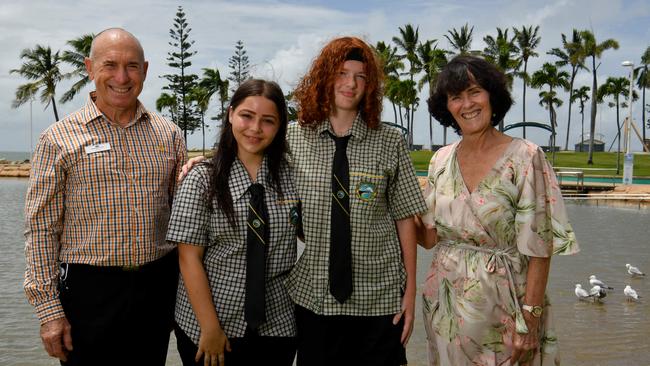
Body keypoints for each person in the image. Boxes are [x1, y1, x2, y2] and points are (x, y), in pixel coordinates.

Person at [23, 28, 187, 365]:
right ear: (89, 67)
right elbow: (40, 229)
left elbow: (182, 220)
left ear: (145, 69)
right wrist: (49, 312)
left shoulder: (169, 134)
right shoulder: (57, 139)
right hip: (87, 290)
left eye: (132, 66)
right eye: (110, 65)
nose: (122, 77)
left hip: (156, 285)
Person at [416, 55, 580, 365]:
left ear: (492, 95)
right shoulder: (440, 160)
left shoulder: (525, 156)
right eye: (456, 97)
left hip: (508, 305)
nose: (467, 104)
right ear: (446, 106)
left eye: (475, 91)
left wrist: (530, 320)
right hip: (446, 306)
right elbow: (428, 237)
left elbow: (540, 245)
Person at [286, 36, 427, 366]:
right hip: (314, 295)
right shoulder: (294, 137)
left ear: (370, 85)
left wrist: (410, 293)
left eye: (361, 76)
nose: (351, 83)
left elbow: (405, 217)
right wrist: (201, 162)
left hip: (379, 297)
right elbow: (248, 156)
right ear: (324, 77)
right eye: (342, 73)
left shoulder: (390, 141)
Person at [167, 79, 300, 366]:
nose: (255, 128)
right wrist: (210, 327)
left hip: (278, 324)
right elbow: (188, 258)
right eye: (246, 116)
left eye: (268, 121)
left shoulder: (292, 178)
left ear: (279, 127)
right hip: (212, 323)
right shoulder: (203, 179)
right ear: (230, 114)